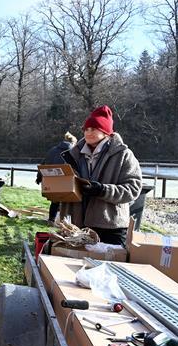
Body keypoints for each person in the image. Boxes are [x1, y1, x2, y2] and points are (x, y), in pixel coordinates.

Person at [59, 105, 142, 245]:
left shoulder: (124, 155)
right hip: (76, 226)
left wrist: (103, 190)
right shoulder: (73, 154)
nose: (88, 132)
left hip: (110, 227)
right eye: (86, 129)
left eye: (94, 129)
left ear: (106, 132)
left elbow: (133, 189)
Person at [36, 131, 78, 222]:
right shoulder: (73, 151)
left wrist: (39, 177)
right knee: (68, 202)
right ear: (73, 142)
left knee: (55, 201)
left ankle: (51, 220)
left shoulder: (53, 150)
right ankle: (66, 222)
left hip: (52, 180)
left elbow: (44, 163)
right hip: (66, 180)